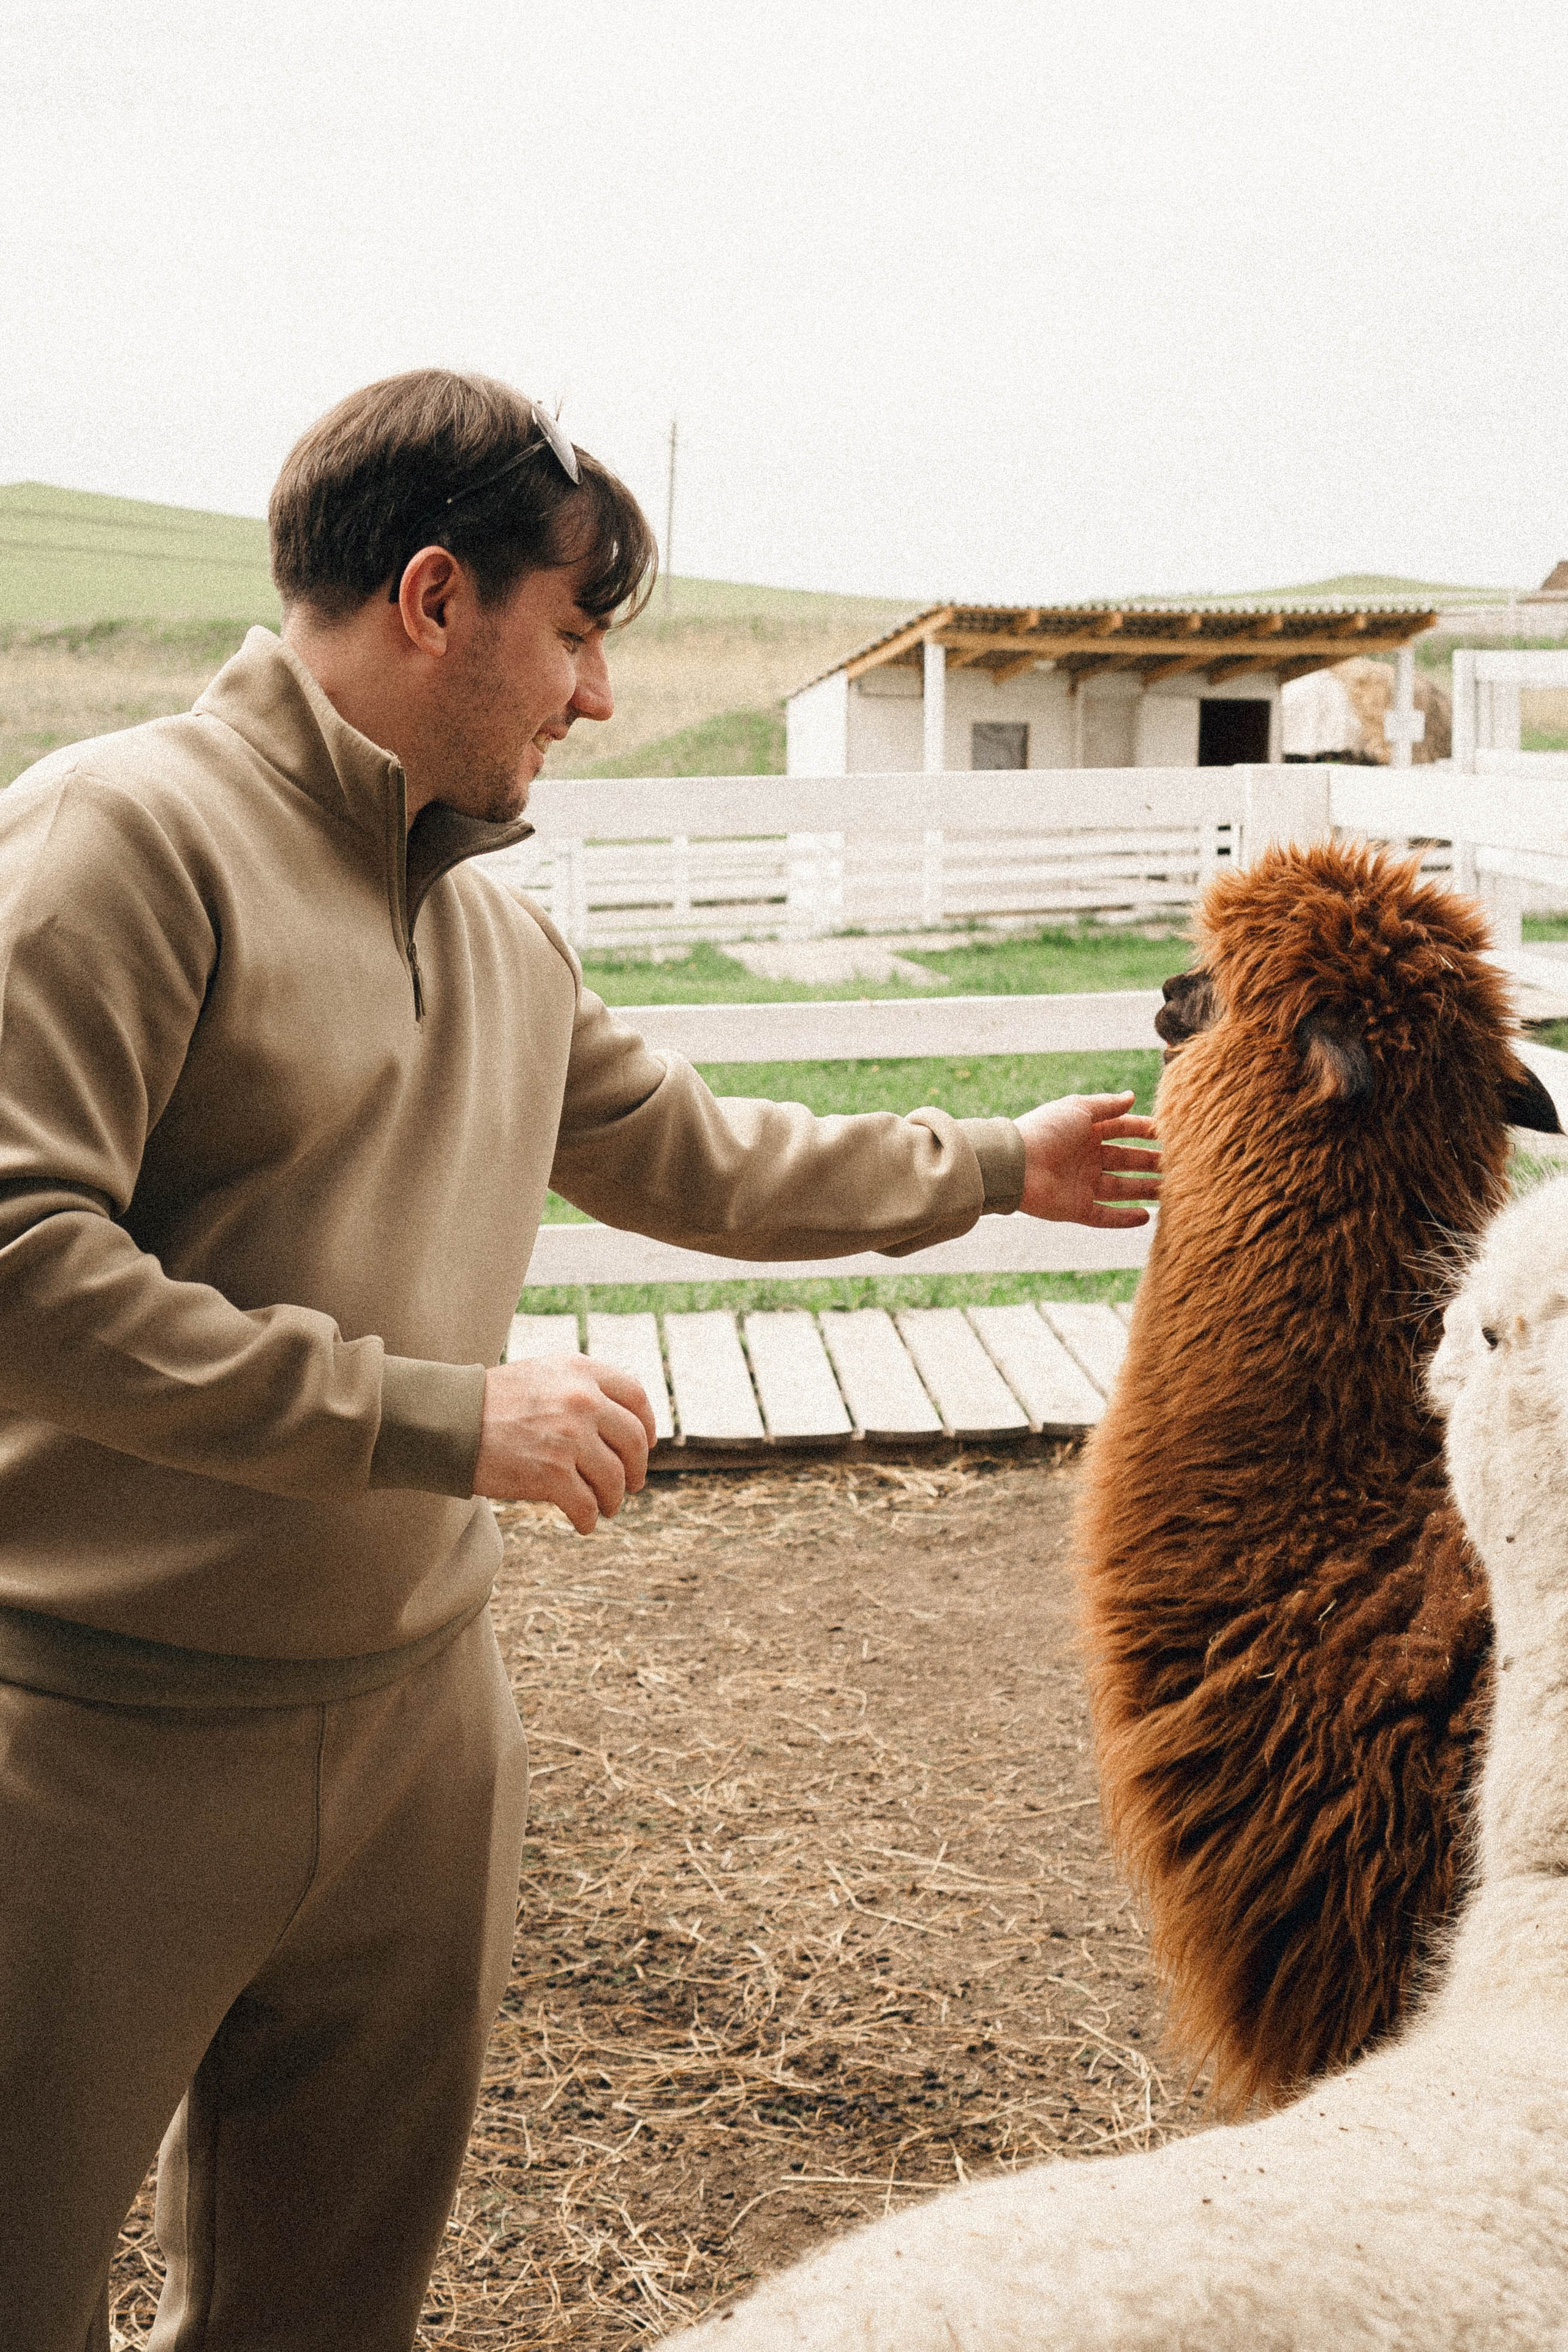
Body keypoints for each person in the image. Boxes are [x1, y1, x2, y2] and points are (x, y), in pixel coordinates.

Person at [0, 369, 1159, 2351]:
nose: (598, 696)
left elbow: (704, 1154)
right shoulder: (123, 840)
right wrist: (443, 1418)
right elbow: (22, 1260)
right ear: (435, 600)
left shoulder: (496, 932)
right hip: (99, 1743)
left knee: (326, 2317)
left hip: (419, 1743)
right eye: (578, 628)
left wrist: (996, 1168)